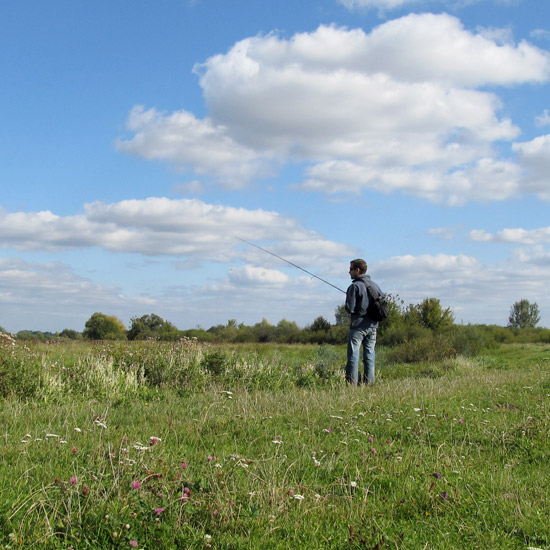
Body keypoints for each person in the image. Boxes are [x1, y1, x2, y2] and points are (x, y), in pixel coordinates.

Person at [345, 259, 383, 385]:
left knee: (353, 356)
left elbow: (349, 308)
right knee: (369, 356)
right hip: (373, 326)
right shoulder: (375, 285)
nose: (349, 272)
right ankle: (369, 383)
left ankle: (352, 384)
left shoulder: (354, 286)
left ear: (357, 270)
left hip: (358, 326)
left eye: (350, 269)